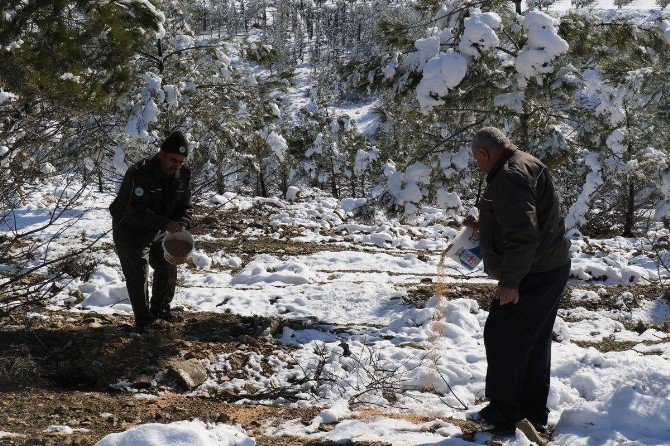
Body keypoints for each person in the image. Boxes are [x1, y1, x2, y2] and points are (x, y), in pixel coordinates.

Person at [466, 127, 571, 433]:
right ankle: (532, 413)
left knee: (503, 336)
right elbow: (522, 217)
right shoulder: (526, 162)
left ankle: (503, 413)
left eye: (477, 159)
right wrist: (483, 224)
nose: (477, 164)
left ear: (485, 153)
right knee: (533, 340)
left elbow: (524, 236)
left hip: (531, 273)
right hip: (550, 266)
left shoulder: (509, 176)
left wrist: (510, 282)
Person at [109, 131, 193, 332]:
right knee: (138, 273)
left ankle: (161, 310)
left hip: (160, 229)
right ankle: (144, 321)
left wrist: (182, 223)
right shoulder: (139, 173)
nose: (177, 165)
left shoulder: (183, 175)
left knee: (168, 264)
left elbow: (186, 206)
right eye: (174, 160)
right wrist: (166, 224)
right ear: (162, 153)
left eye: (181, 161)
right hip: (130, 229)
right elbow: (135, 211)